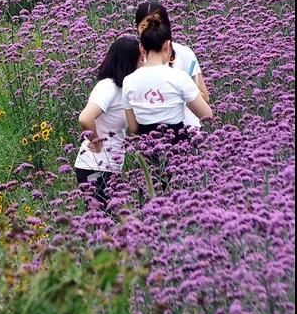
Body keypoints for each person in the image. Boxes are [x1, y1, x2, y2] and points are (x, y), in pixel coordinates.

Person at [123, 13, 213, 143]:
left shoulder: (129, 81)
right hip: (179, 147)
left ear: (141, 48)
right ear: (168, 45)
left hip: (147, 149)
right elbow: (207, 115)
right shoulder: (179, 77)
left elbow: (133, 127)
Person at [74, 36, 141, 198]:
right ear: (129, 60)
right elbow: (85, 118)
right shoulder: (107, 87)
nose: (143, 61)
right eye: (141, 57)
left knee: (115, 217)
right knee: (102, 217)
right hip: (94, 167)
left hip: (110, 167)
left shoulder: (123, 89)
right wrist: (96, 142)